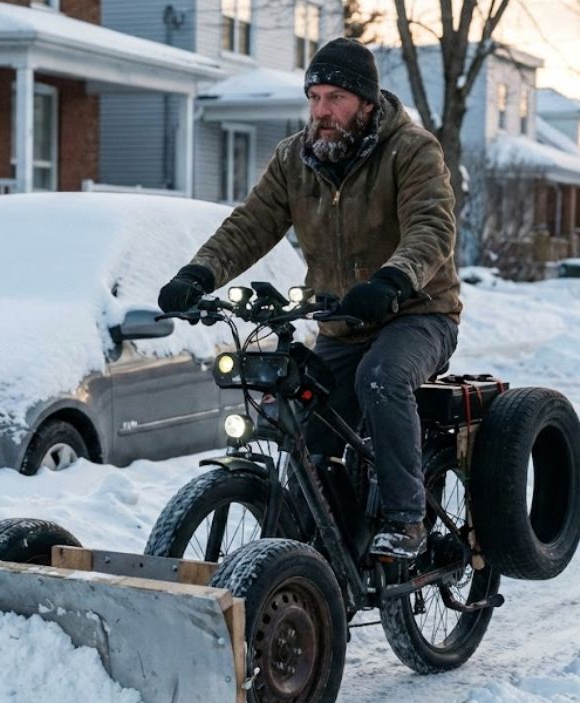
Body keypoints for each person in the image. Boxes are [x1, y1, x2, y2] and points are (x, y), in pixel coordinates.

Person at [157, 37, 460, 561]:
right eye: (314, 97)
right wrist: (198, 273)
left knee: (381, 379)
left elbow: (431, 227)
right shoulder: (294, 159)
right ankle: (323, 551)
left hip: (418, 313)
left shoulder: (411, 149)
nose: (321, 112)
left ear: (366, 102)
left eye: (335, 98)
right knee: (301, 412)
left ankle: (406, 519)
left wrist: (393, 280)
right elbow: (251, 225)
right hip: (342, 323)